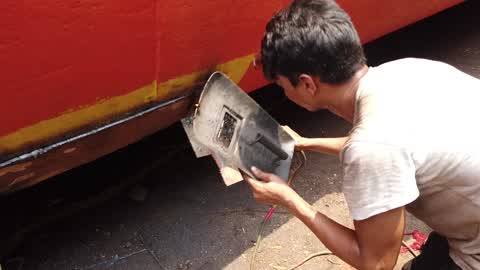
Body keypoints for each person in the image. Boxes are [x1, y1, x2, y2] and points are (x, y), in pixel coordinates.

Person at [243, 0, 480, 269]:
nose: (284, 92)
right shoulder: (408, 70)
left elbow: (376, 264)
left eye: (283, 85)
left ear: (307, 84)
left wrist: (289, 199)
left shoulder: (372, 147)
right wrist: (306, 143)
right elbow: (395, 147)